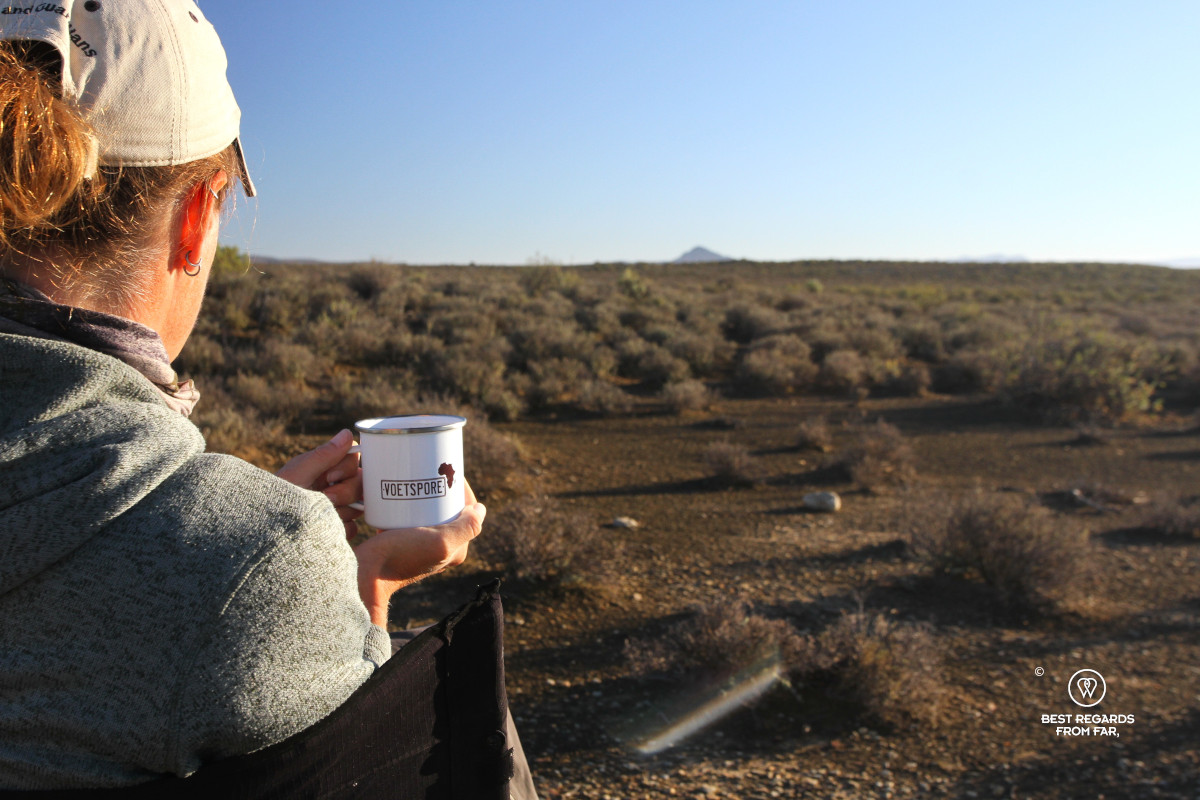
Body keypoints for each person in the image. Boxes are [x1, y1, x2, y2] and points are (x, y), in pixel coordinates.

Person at [0, 2, 535, 796]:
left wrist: (239, 531)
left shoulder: (249, 554)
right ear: (196, 218)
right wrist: (355, 581)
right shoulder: (256, 564)